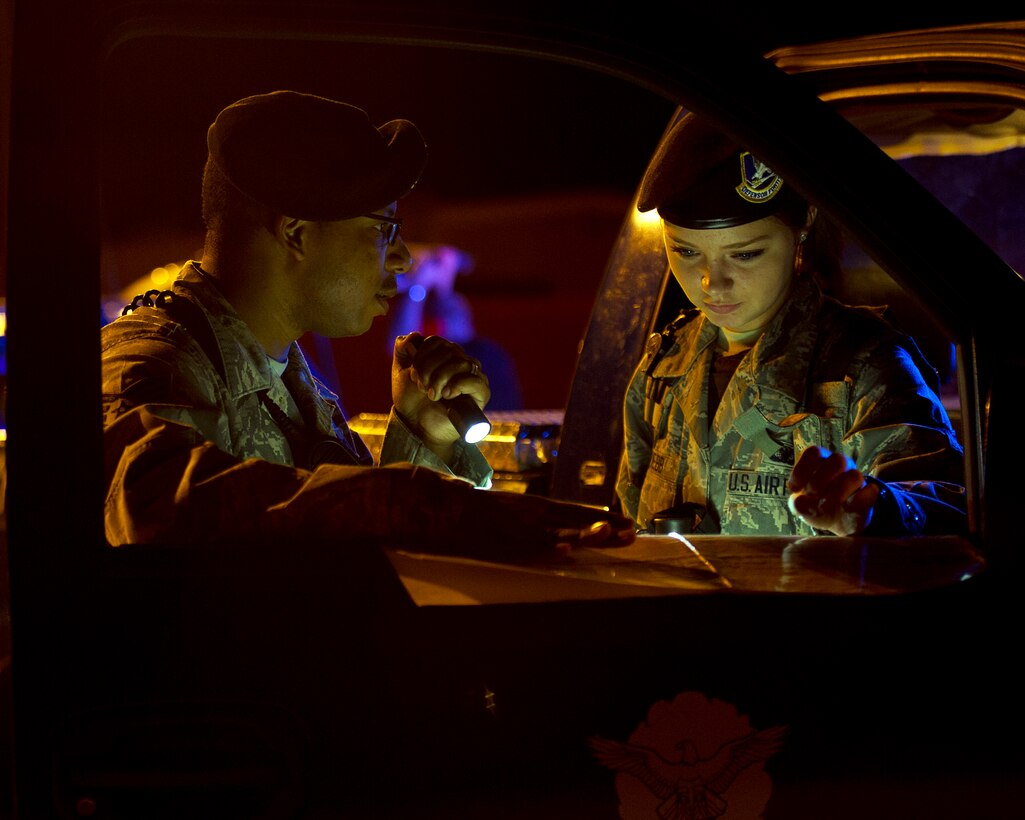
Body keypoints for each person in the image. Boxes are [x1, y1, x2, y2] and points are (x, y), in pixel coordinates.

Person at [101, 90, 633, 555]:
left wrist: (425, 436)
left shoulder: (292, 381)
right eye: (385, 229)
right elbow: (154, 504)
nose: (402, 259)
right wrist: (407, 500)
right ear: (297, 233)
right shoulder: (151, 361)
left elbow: (345, 557)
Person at [616, 112, 966, 537]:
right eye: (686, 253)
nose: (712, 282)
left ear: (802, 229)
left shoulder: (864, 367)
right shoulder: (665, 367)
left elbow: (945, 509)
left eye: (745, 254)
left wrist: (872, 508)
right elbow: (628, 523)